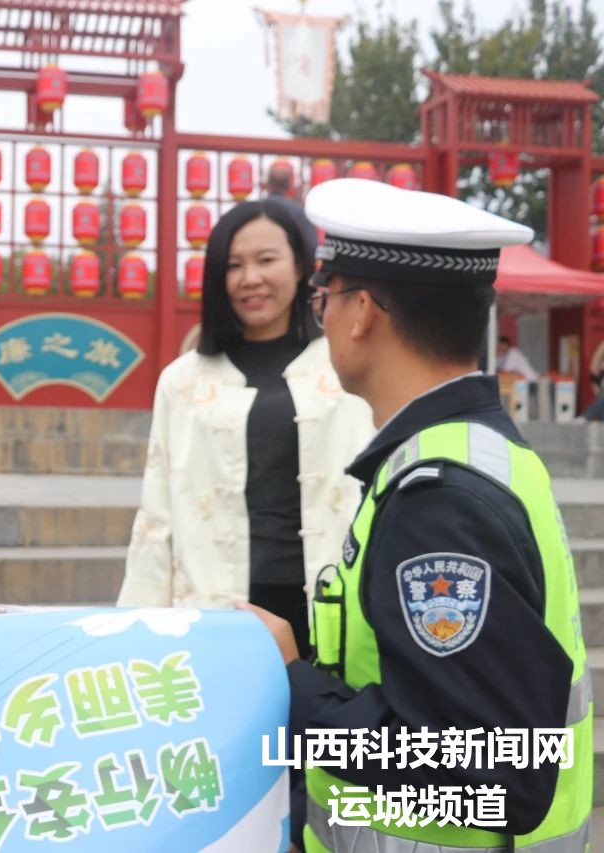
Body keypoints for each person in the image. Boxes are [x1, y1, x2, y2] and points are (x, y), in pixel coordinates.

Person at [243, 179, 590, 850]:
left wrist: (290, 682)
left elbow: (488, 767)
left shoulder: (438, 498)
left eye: (323, 297)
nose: (322, 318)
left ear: (360, 312)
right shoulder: (478, 452)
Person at [118, 199, 372, 657]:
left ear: (301, 266)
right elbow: (157, 516)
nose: (250, 278)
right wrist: (134, 630)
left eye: (266, 260)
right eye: (234, 265)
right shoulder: (184, 381)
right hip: (216, 607)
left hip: (330, 604)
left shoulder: (346, 369)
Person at [265, 160, 319, 258]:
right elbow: (311, 245)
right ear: (289, 185)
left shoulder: (255, 209)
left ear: (267, 184)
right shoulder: (298, 211)